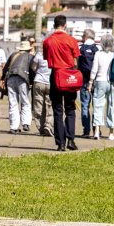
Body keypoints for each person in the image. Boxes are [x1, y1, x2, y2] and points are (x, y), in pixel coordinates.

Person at [43, 14, 80, 151]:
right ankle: (71, 139)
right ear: (65, 25)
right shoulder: (72, 40)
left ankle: (60, 143)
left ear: (54, 26)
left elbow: (47, 59)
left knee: (57, 110)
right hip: (69, 75)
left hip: (56, 74)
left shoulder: (48, 41)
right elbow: (76, 60)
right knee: (70, 109)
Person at [89, 33, 114, 140]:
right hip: (112, 82)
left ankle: (96, 131)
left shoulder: (98, 54)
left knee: (97, 106)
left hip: (100, 82)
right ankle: (111, 133)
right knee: (111, 106)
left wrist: (90, 82)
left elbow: (94, 69)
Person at [2, 40, 34, 134]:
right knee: (25, 101)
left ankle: (13, 127)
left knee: (13, 103)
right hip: (23, 79)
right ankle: (25, 123)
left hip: (11, 78)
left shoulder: (13, 55)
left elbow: (5, 69)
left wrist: (3, 79)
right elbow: (32, 70)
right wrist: (31, 82)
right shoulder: (30, 57)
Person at [30, 37, 54, 136]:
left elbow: (34, 67)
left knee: (38, 105)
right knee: (50, 104)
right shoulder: (53, 55)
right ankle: (48, 125)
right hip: (50, 83)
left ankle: (40, 127)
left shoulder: (39, 55)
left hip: (38, 82)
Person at [77, 29, 98, 138]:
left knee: (85, 106)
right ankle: (96, 129)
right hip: (95, 80)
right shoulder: (97, 49)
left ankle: (86, 130)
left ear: (85, 36)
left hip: (84, 79)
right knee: (96, 106)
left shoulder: (80, 48)